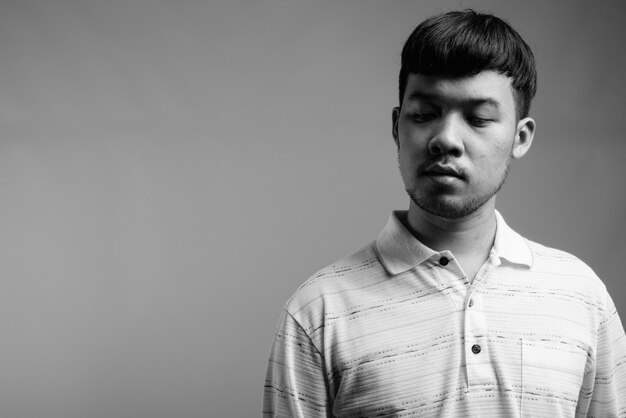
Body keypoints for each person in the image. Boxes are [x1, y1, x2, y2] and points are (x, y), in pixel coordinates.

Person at [263, 10, 626, 417]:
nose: (446, 139)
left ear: (520, 137)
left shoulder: (580, 296)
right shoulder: (318, 311)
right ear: (398, 127)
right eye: (424, 114)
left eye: (478, 119)